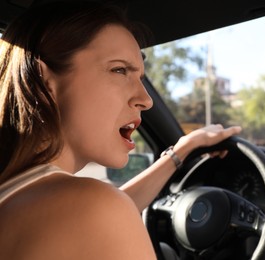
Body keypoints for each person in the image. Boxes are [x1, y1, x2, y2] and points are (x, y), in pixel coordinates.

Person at [0, 1, 242, 259]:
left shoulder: (18, 195)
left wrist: (180, 153)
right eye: (119, 70)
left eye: (139, 77)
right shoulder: (95, 208)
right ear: (45, 82)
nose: (146, 99)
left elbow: (101, 209)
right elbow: (103, 210)